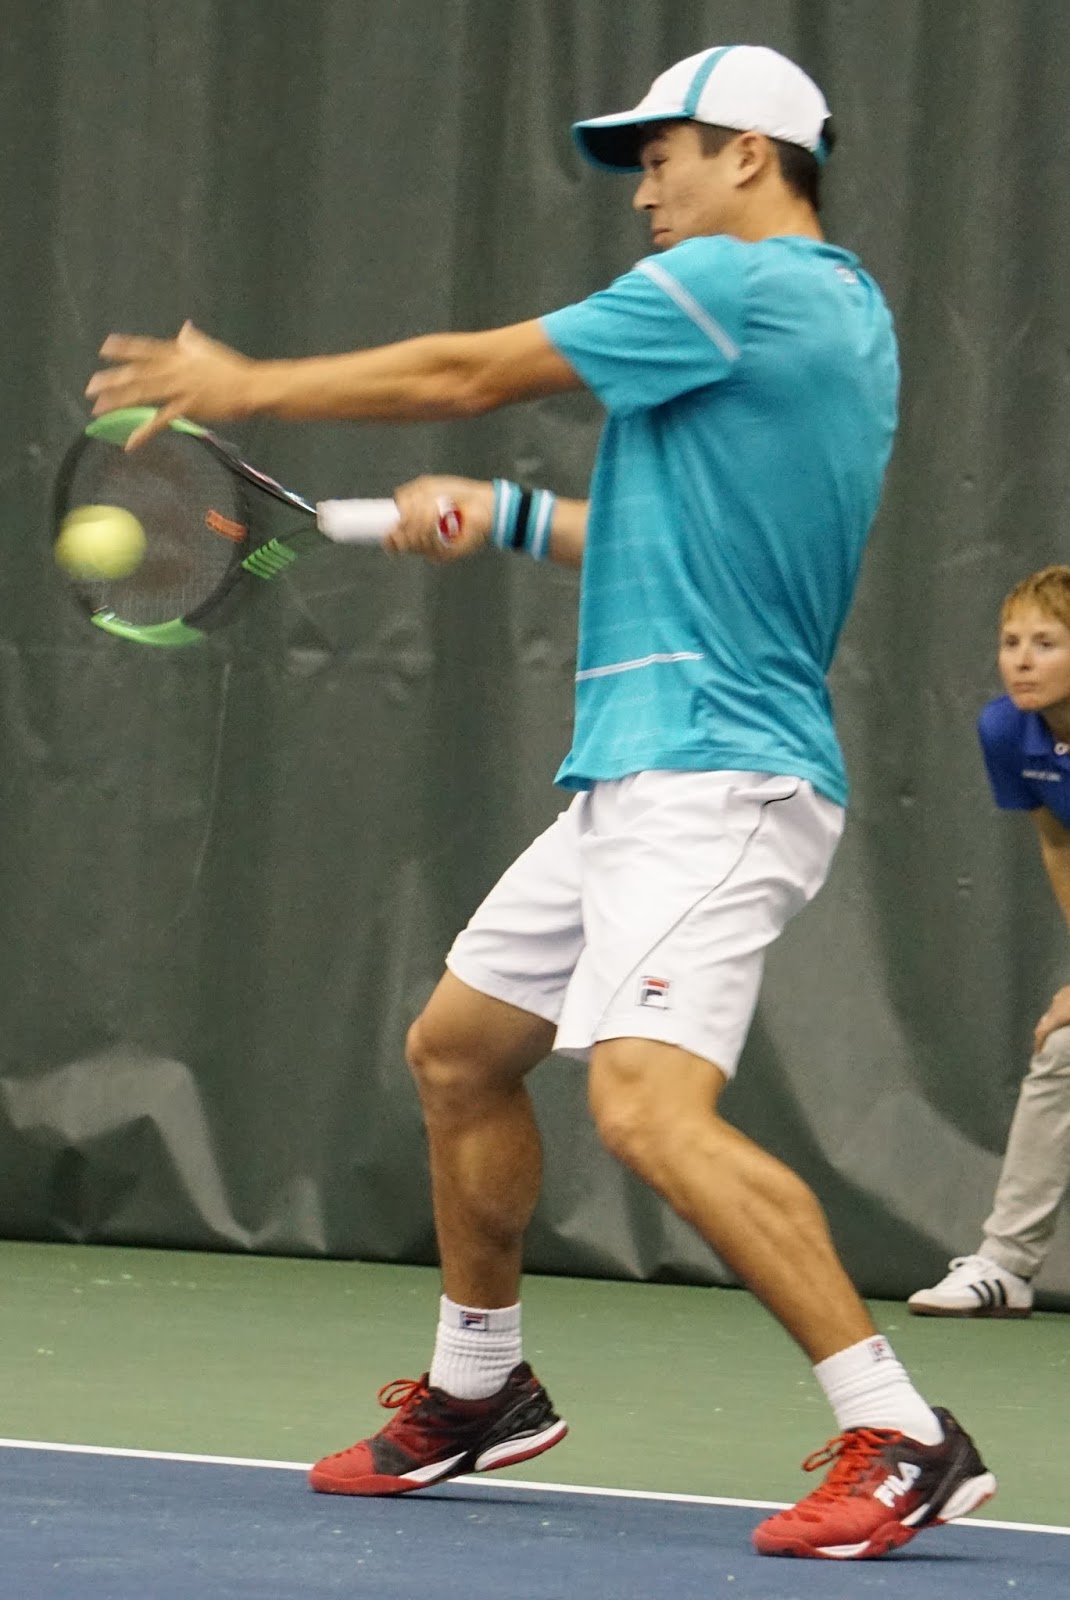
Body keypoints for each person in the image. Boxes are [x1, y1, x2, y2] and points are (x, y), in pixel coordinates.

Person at [86, 43, 996, 1561]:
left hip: (715, 771)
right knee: (459, 1052)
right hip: (634, 772)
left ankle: (898, 1428)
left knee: (642, 1106)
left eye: (662, 156)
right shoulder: (807, 320)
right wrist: (506, 513)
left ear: (748, 156)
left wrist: (249, 389)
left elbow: (467, 372)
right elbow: (674, 534)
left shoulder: (750, 285)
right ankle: (481, 1385)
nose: (642, 190)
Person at [909, 566, 1070, 1318]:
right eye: (1011, 642)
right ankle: (1005, 1266)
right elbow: (1059, 843)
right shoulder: (1007, 730)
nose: (1022, 661)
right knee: (1064, 1050)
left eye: (1047, 643)